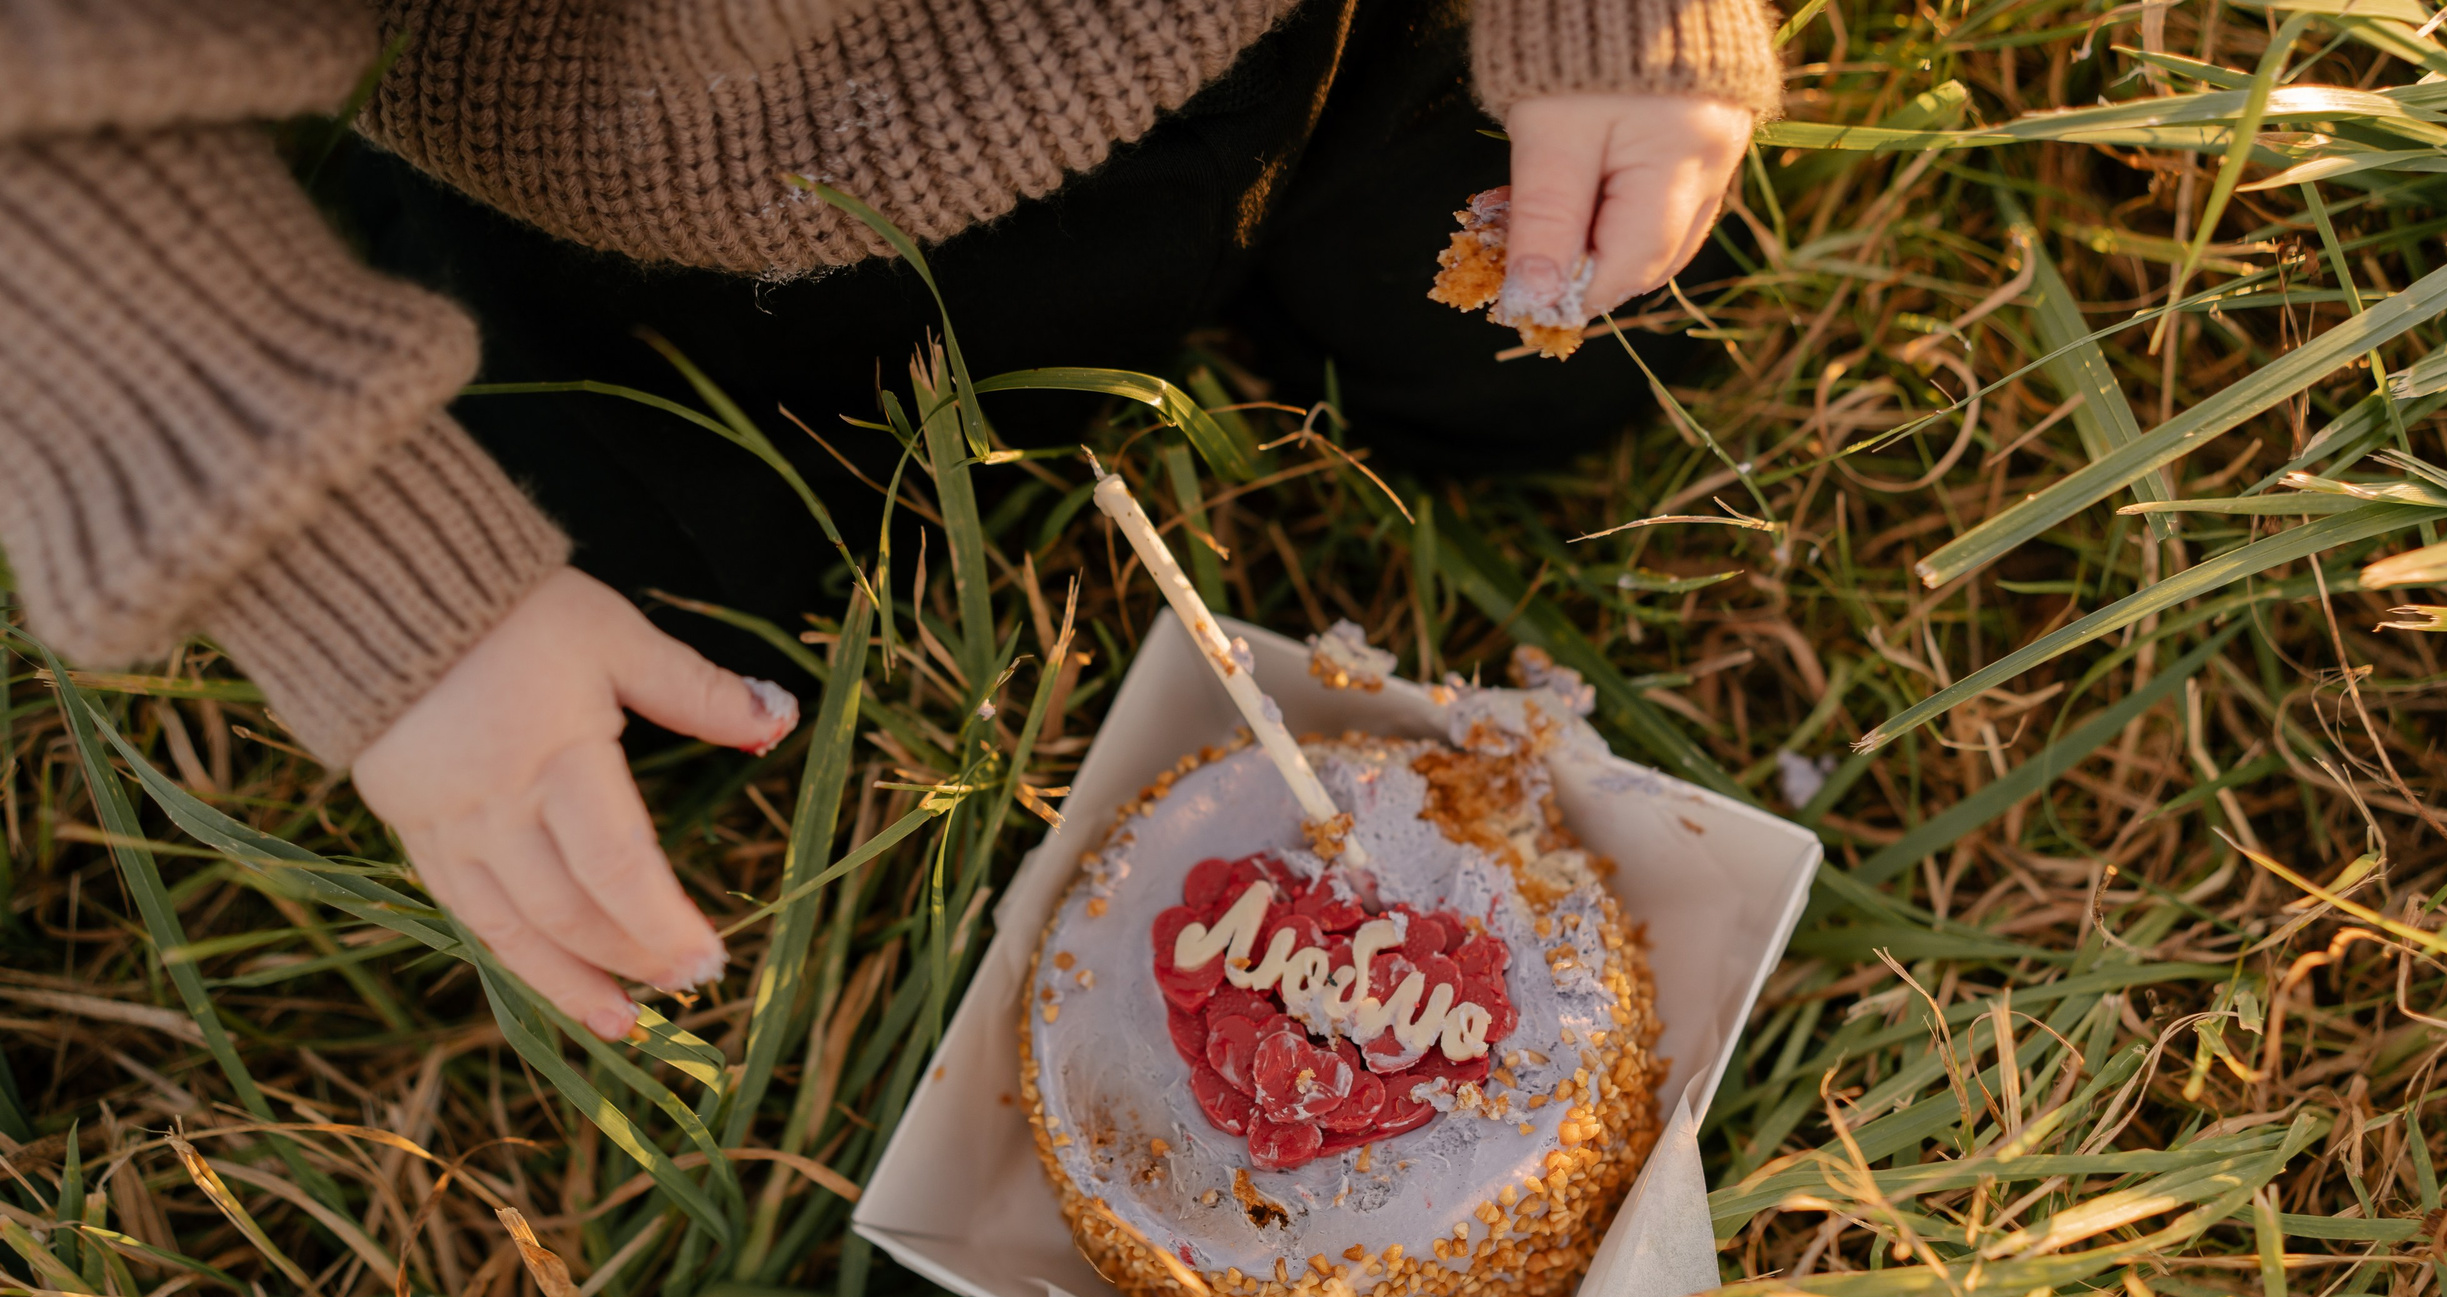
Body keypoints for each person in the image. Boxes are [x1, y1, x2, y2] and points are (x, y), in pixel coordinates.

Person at [0, 0, 1778, 1043]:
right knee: (707, 659)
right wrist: (353, 558)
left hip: (1308, 40)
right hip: (670, 196)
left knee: (1574, 349)